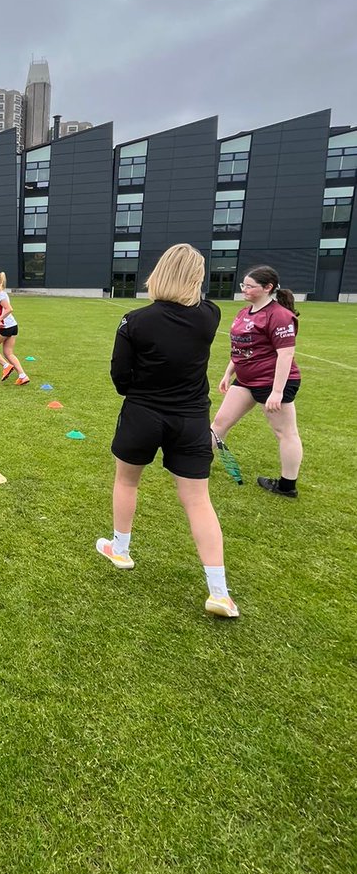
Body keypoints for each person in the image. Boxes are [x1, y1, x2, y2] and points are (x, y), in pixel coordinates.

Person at [96, 243, 238, 618]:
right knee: (198, 500)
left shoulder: (135, 321)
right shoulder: (209, 315)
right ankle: (219, 592)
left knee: (127, 481)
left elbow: (119, 375)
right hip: (190, 419)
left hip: (143, 414)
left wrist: (141, 391)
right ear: (196, 278)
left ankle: (121, 549)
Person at [211, 265, 303, 498]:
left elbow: (286, 355)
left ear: (267, 288)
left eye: (250, 286)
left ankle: (287, 486)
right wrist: (228, 373)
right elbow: (241, 348)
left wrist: (277, 391)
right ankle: (196, 464)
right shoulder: (244, 312)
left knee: (285, 432)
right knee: (220, 422)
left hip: (272, 382)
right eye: (244, 285)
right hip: (245, 380)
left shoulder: (279, 315)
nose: (244, 289)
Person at [0, 272, 30, 385]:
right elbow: (2, 311)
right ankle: (23, 376)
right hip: (12, 326)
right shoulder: (1, 294)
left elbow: (9, 309)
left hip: (4, 327)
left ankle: (6, 366)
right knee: (8, 353)